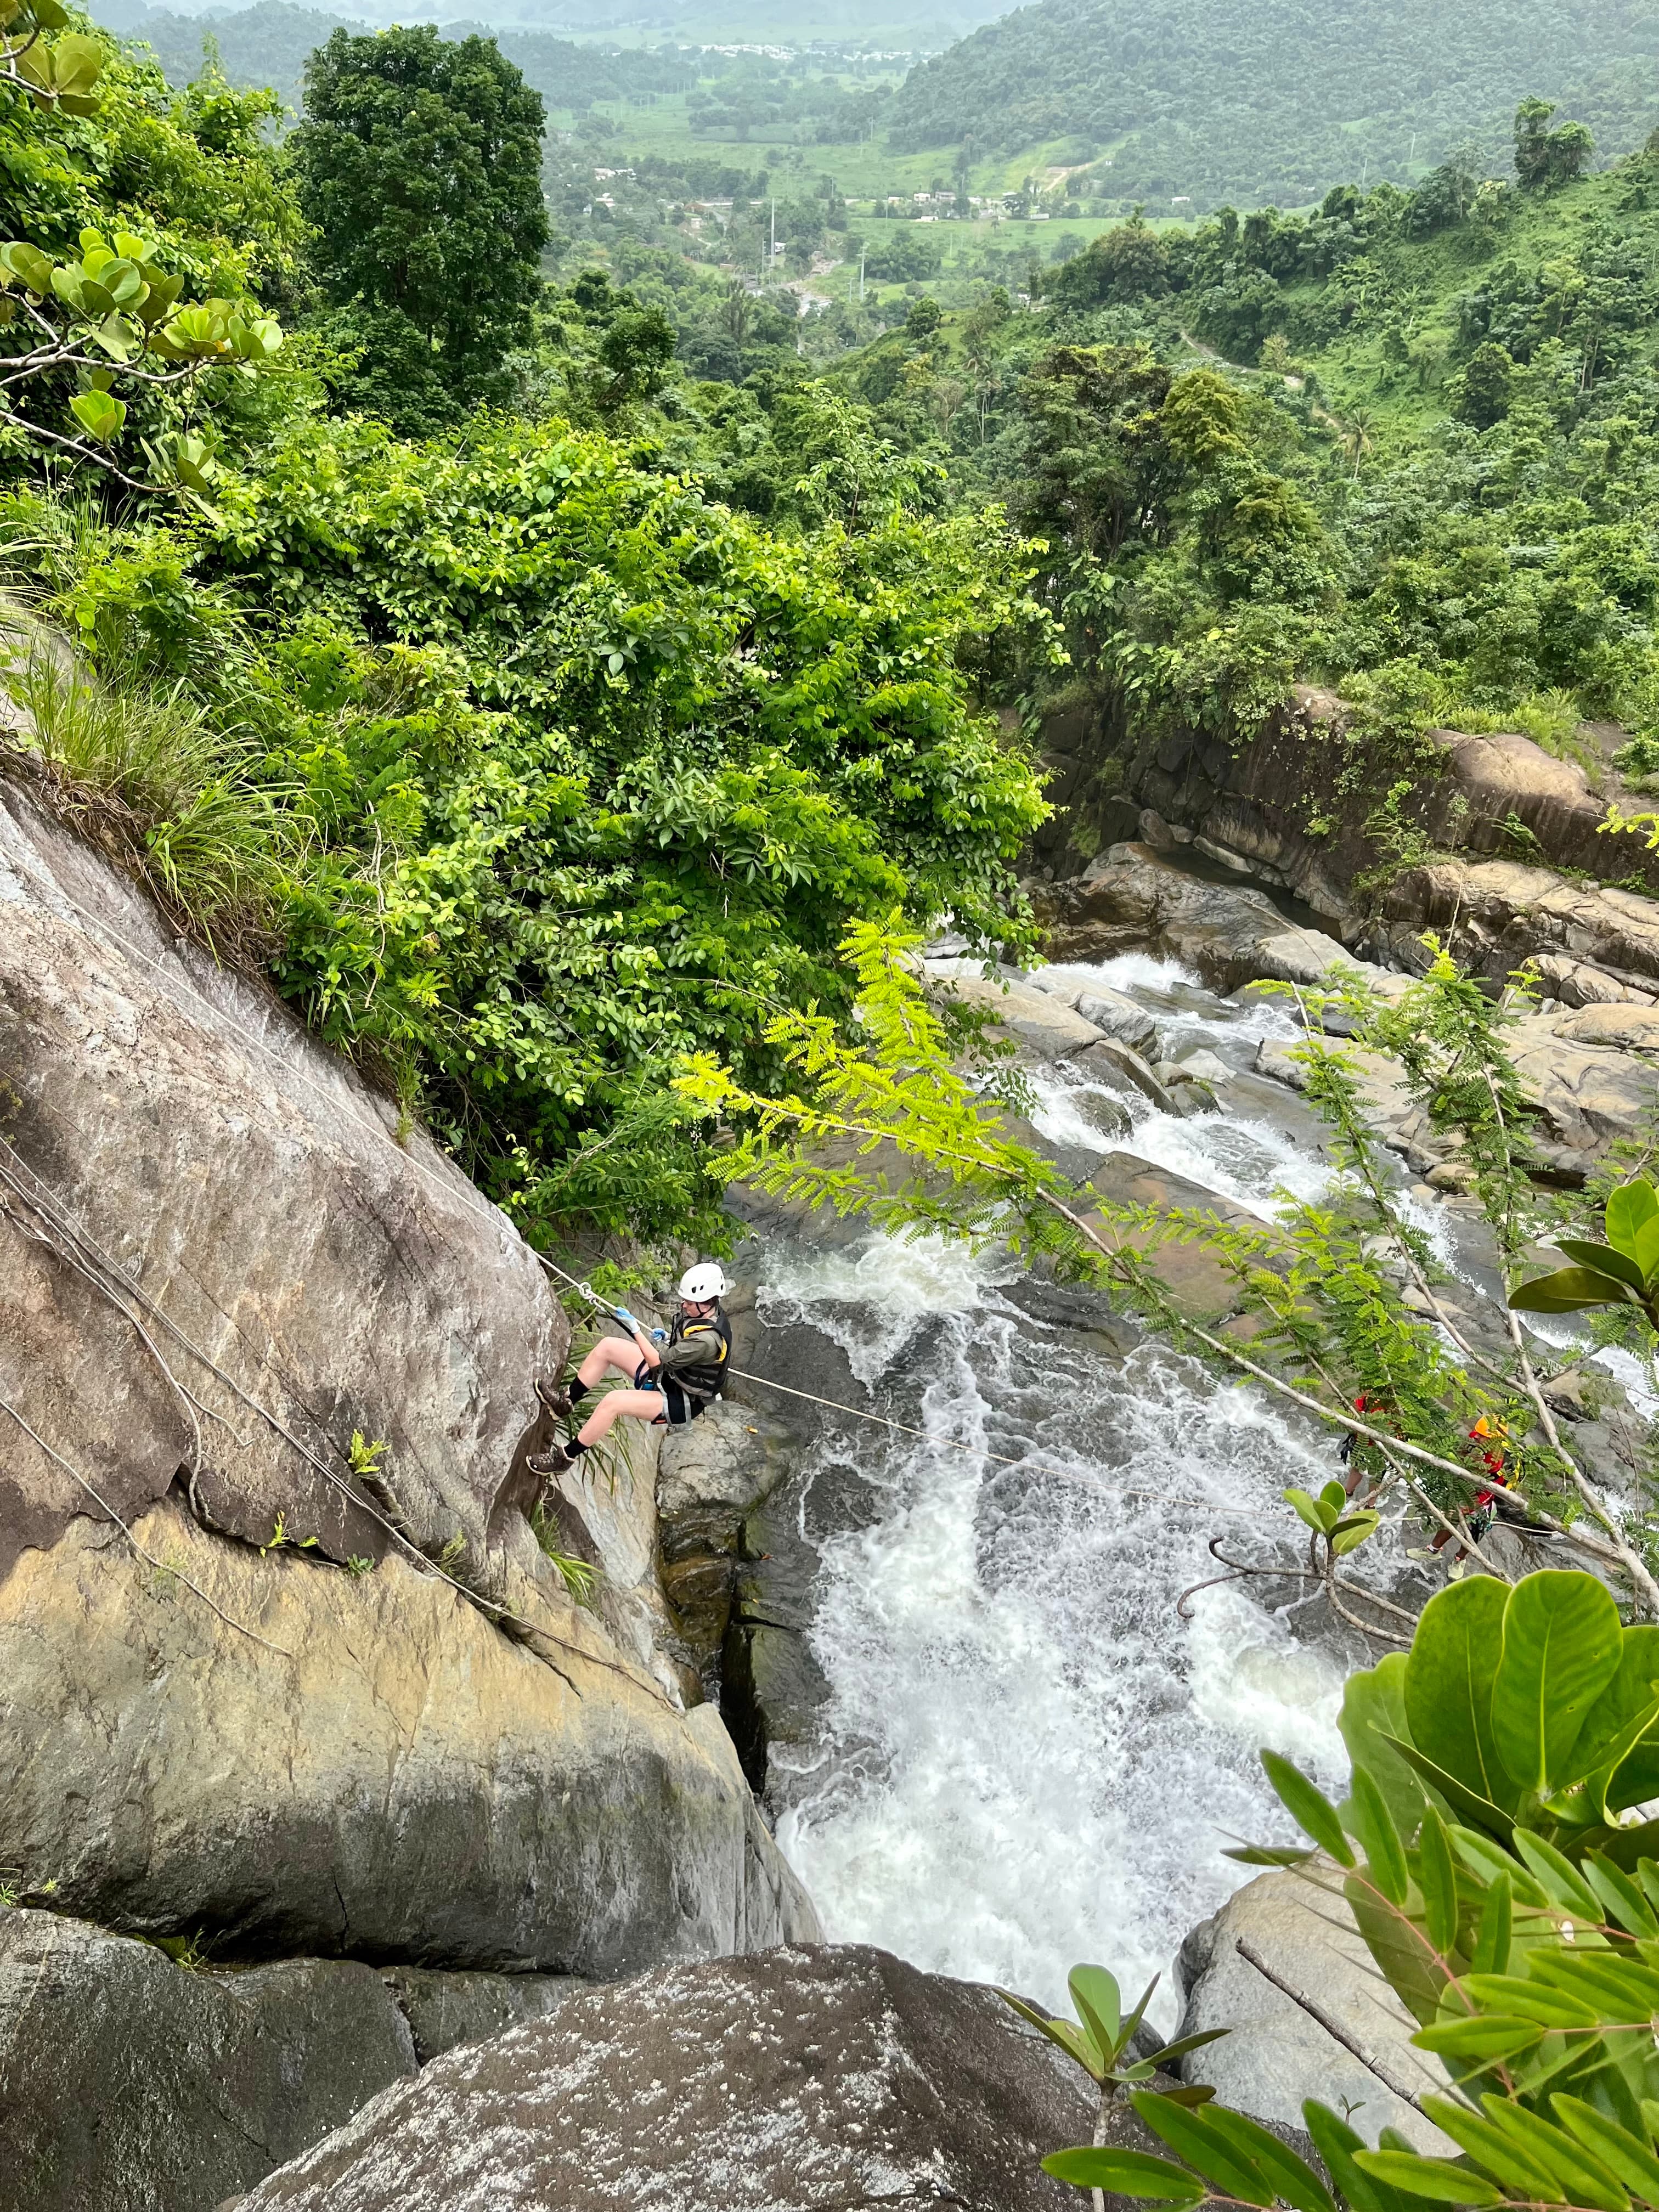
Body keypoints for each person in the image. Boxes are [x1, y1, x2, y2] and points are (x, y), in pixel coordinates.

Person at [528, 1264, 733, 1475]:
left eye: (689, 1303)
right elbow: (682, 1349)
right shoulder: (704, 1313)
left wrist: (635, 1329)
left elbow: (658, 1363)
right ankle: (565, 1403)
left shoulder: (707, 1340)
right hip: (670, 1377)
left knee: (612, 1402)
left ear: (707, 1302)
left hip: (682, 1400)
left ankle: (564, 1458)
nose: (683, 1305)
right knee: (608, 1346)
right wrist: (668, 1338)